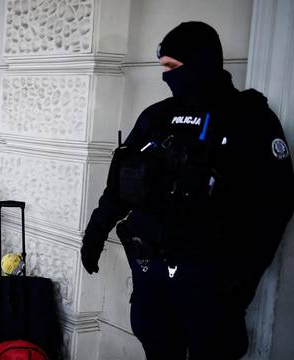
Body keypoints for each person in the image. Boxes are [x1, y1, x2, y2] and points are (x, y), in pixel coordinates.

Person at [80, 22, 294, 360]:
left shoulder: (250, 119)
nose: (166, 76)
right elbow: (121, 185)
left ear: (201, 62)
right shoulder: (156, 117)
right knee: (157, 345)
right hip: (151, 275)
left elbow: (274, 206)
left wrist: (243, 280)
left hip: (210, 281)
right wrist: (95, 231)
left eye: (173, 68)